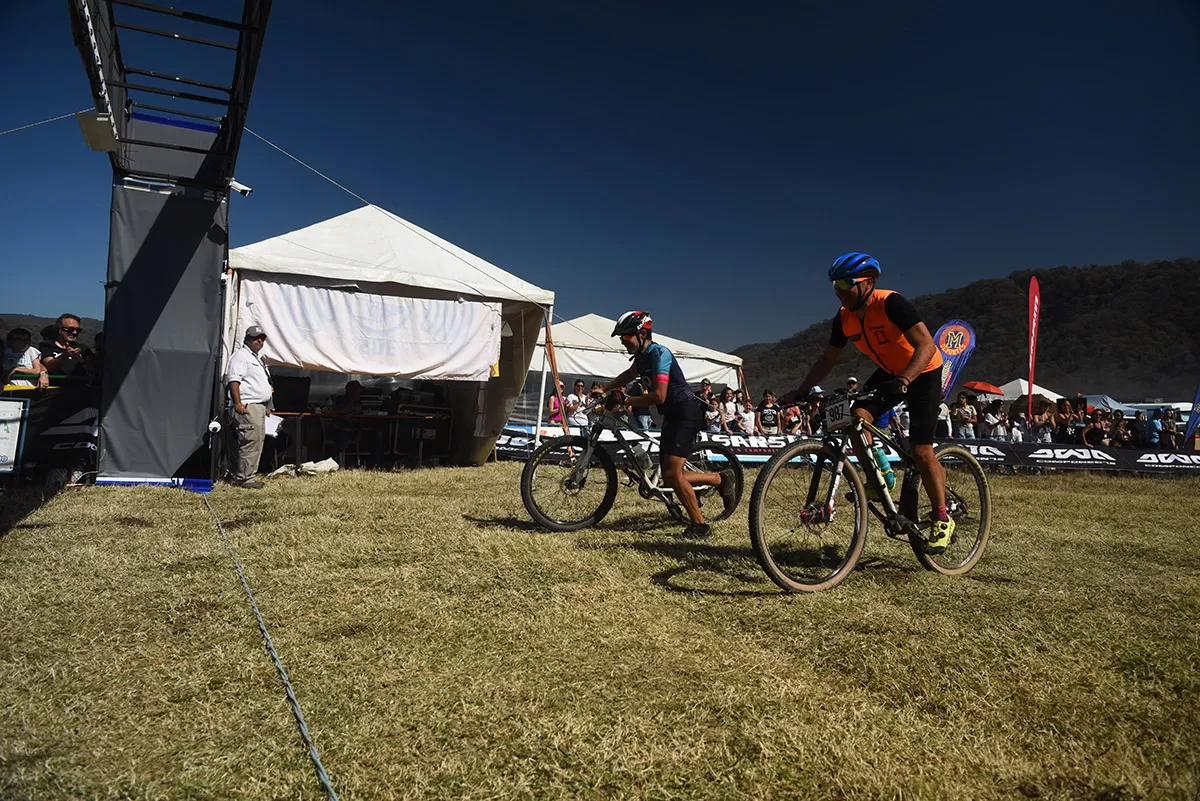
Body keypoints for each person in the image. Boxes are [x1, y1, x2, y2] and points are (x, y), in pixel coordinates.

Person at [779, 252, 954, 554]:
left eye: (846, 283)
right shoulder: (844, 318)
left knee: (922, 450)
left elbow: (926, 344)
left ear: (868, 283)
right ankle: (882, 476)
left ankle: (942, 517)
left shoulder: (890, 303)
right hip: (890, 372)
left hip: (922, 370)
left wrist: (907, 379)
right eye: (834, 284)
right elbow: (827, 359)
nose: (839, 290)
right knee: (856, 417)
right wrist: (802, 389)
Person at [603, 311, 736, 539]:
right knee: (669, 477)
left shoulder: (660, 354)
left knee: (674, 475)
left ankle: (701, 528)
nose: (623, 342)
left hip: (686, 413)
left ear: (642, 334)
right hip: (673, 416)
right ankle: (720, 479)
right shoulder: (643, 357)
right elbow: (627, 375)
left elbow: (659, 396)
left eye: (625, 338)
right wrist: (604, 389)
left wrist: (625, 400)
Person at [224, 325, 274, 489]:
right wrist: (238, 403)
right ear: (247, 339)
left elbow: (260, 385)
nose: (259, 340)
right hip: (247, 405)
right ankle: (244, 478)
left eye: (262, 338)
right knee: (249, 441)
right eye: (255, 337)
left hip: (257, 406)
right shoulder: (241, 356)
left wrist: (266, 405)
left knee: (256, 441)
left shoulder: (257, 359)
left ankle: (248, 475)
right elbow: (234, 380)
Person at [38, 314, 96, 381]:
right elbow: (49, 366)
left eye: (78, 330)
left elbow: (93, 369)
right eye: (70, 329)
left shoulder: (83, 349)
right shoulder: (48, 346)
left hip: (80, 389)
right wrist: (64, 356)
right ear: (59, 329)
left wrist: (80, 359)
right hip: (55, 389)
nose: (75, 332)